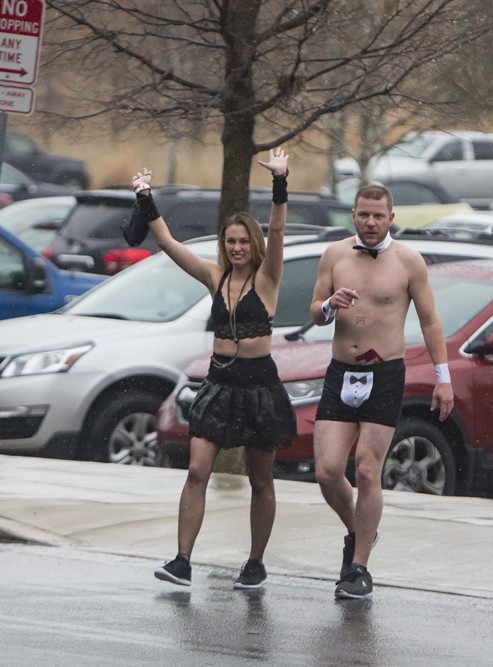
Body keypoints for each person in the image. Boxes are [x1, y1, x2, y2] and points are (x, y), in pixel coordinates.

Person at [149, 149, 297, 589]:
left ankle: (255, 563)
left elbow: (277, 226)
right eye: (230, 241)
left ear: (254, 245)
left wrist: (280, 182)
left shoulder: (268, 277)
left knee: (261, 479)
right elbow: (168, 244)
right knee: (197, 471)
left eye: (243, 241)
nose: (236, 248)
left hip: (259, 387)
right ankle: (181, 560)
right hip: (219, 383)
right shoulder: (215, 278)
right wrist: (145, 199)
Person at [310, 183, 454, 599]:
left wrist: (443, 377)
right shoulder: (334, 255)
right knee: (327, 471)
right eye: (363, 215)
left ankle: (358, 568)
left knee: (368, 470)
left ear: (391, 218)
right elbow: (316, 313)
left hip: (385, 373)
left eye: (378, 216)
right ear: (352, 215)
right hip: (341, 372)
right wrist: (329, 306)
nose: (370, 222)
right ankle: (360, 533)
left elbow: (430, 321)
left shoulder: (408, 261)